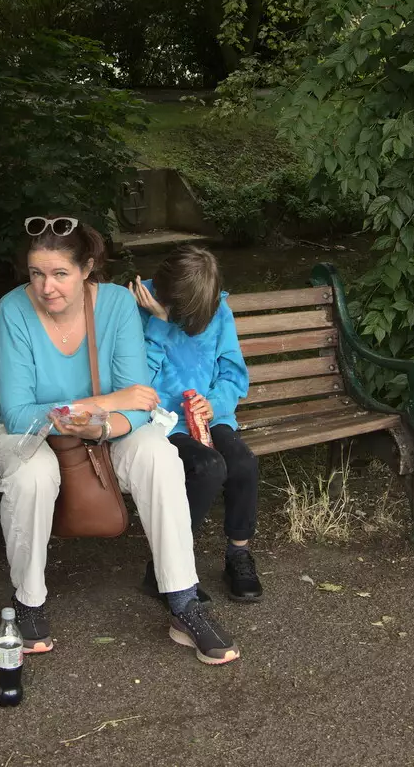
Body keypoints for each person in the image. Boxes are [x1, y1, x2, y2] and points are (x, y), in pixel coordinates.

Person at [0, 216, 241, 664]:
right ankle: (28, 599)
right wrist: (105, 401)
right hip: (25, 435)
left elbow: (140, 405)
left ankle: (183, 601)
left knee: (159, 454)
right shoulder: (13, 309)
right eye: (37, 273)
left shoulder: (118, 304)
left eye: (61, 273)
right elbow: (20, 412)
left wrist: (101, 424)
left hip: (103, 432)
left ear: (87, 269)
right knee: (33, 476)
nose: (47, 287)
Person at [130, 246, 263, 603]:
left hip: (208, 414)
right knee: (207, 468)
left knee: (243, 463)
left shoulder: (216, 310)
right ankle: (165, 566)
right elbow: (138, 382)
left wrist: (214, 403)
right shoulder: (139, 309)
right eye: (181, 315)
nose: (189, 323)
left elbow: (233, 375)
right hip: (163, 420)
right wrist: (159, 322)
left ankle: (238, 554)